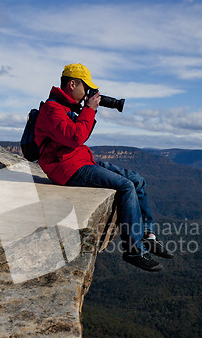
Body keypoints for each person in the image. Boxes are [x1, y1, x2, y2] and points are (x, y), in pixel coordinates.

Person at [34, 63, 174, 271]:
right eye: (86, 88)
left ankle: (148, 235)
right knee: (126, 186)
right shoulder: (52, 109)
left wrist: (86, 110)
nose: (87, 93)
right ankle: (133, 251)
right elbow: (75, 137)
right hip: (65, 168)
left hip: (81, 160)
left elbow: (79, 136)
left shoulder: (67, 107)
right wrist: (89, 109)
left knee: (137, 179)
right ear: (72, 84)